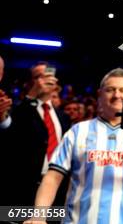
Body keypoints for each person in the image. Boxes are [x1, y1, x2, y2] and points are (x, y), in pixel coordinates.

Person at [24, 68, 123, 224]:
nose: (116, 94)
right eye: (110, 89)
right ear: (100, 94)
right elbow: (53, 177)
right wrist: (39, 216)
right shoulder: (77, 131)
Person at [0, 62, 71, 207]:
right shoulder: (16, 110)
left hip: (57, 190)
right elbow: (11, 133)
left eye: (48, 76)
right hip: (23, 190)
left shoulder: (63, 117)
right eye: (38, 76)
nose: (43, 81)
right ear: (29, 83)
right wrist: (32, 95)